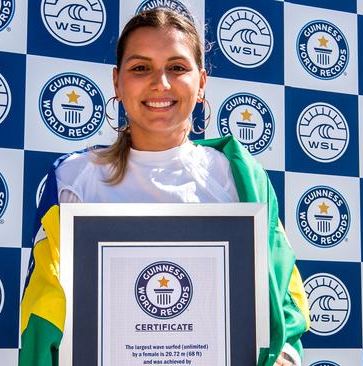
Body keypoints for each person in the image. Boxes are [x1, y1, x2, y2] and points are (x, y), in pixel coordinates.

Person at [20, 8, 308, 366]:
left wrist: (286, 355)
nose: (161, 83)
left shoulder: (240, 178)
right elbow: (42, 314)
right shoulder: (74, 180)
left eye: (177, 67)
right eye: (141, 68)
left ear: (201, 82)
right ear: (116, 82)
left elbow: (285, 296)